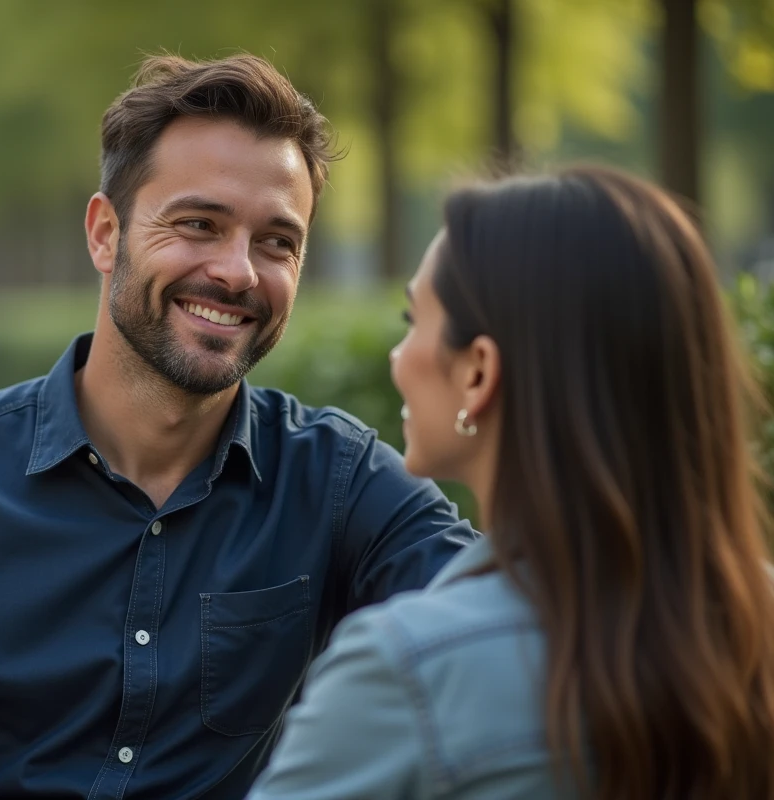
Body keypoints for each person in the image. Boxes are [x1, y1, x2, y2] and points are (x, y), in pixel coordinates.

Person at [0, 54, 476, 800]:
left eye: (276, 242)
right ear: (106, 235)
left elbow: (525, 627)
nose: (238, 271)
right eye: (199, 224)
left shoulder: (338, 480)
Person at [247, 166, 774, 799]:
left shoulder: (405, 672)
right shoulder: (750, 621)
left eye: (414, 320)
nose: (398, 355)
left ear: (478, 373)